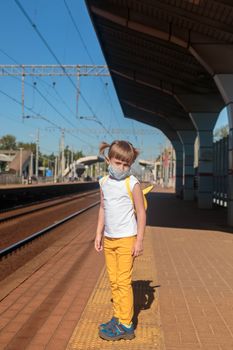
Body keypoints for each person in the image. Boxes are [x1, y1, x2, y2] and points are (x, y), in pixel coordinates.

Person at [95, 140, 146, 341]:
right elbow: (102, 208)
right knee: (114, 281)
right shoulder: (103, 183)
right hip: (109, 239)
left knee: (123, 282)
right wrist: (98, 233)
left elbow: (141, 213)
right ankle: (118, 317)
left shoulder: (131, 183)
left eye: (126, 165)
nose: (122, 168)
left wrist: (139, 240)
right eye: (118, 163)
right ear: (109, 160)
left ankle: (126, 325)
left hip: (126, 239)